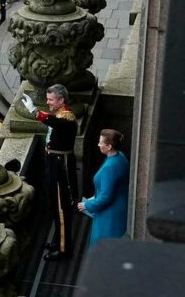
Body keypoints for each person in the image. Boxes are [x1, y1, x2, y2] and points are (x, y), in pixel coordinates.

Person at [22, 84, 79, 261]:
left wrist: (35, 111)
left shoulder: (67, 117)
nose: (48, 103)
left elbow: (54, 122)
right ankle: (58, 240)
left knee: (61, 208)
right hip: (53, 161)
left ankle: (64, 249)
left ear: (61, 100)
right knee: (55, 205)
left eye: (51, 100)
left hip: (60, 165)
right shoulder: (60, 113)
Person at [78, 129, 130, 246]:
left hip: (109, 215)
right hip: (120, 206)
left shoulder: (109, 167)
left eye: (101, 143)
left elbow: (106, 197)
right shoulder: (120, 157)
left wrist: (87, 205)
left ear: (109, 146)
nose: (98, 145)